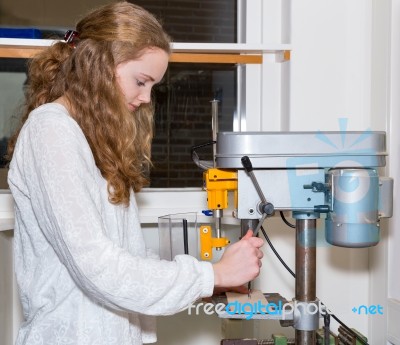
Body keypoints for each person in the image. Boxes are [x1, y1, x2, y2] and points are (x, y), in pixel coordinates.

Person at [6, 2, 264, 345]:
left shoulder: (92, 139)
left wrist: (208, 283)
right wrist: (212, 274)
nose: (145, 97)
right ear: (97, 66)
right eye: (141, 81)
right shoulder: (51, 132)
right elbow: (100, 268)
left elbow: (127, 257)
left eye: (152, 86)